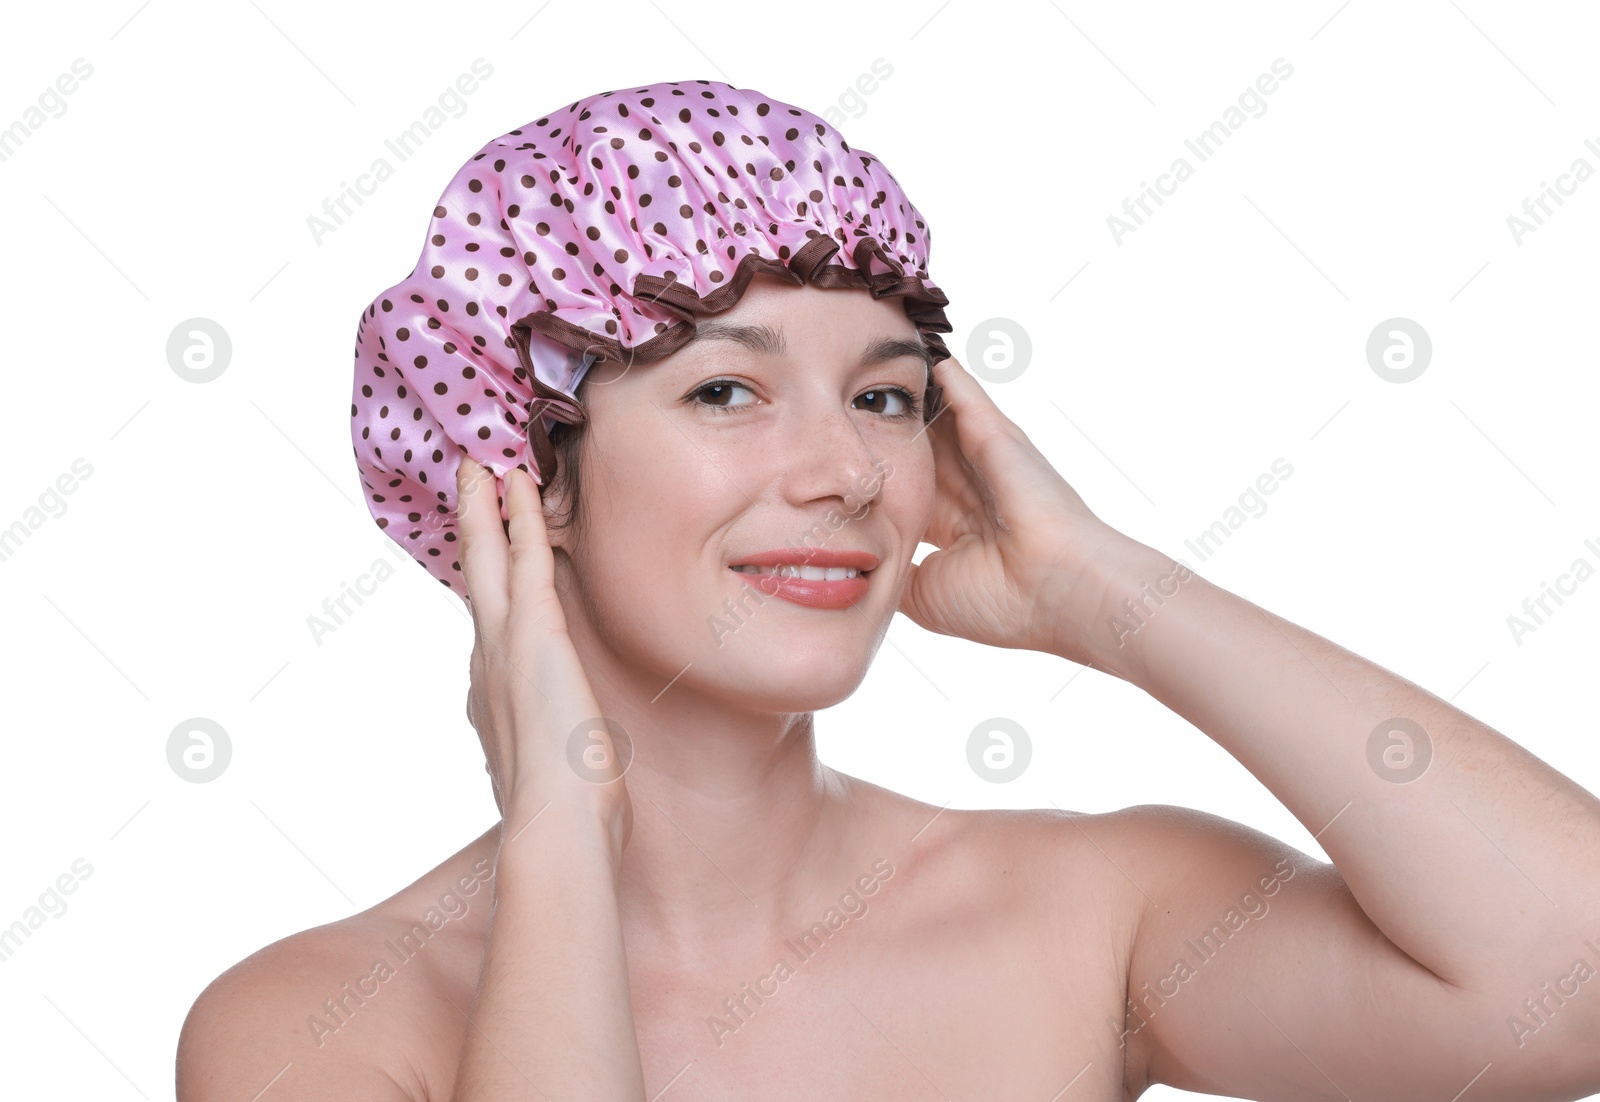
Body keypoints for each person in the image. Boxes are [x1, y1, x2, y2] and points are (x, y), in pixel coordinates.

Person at [175, 80, 1600, 1102]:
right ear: (523, 475)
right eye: (727, 387)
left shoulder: (1090, 912)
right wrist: (559, 831)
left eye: (887, 393)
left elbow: (1567, 989)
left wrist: (1106, 588)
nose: (848, 469)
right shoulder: (313, 1024)